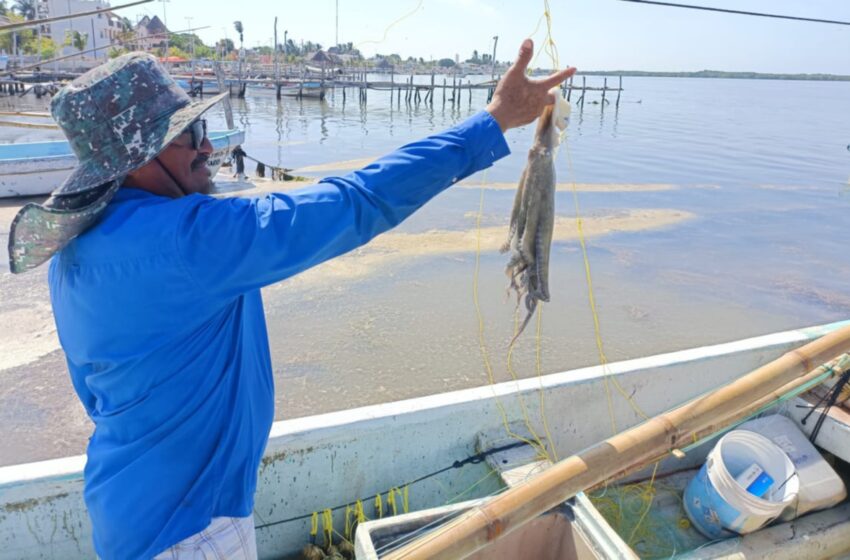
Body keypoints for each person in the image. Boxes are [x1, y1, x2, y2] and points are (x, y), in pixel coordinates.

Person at [7, 40, 575, 559]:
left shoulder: (75, 254)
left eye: (201, 128)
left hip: (124, 512)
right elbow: (356, 202)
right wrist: (494, 121)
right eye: (187, 137)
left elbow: (94, 390)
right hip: (189, 528)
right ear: (136, 157)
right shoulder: (191, 240)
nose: (207, 147)